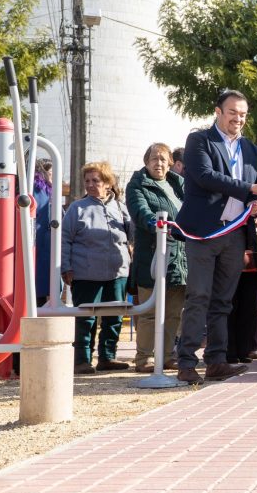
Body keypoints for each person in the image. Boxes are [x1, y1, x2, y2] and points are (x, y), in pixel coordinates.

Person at [174, 90, 257, 385]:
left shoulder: (251, 149)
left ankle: (217, 360)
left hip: (235, 234)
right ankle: (186, 362)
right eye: (232, 112)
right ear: (218, 111)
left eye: (243, 114)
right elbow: (205, 177)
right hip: (204, 232)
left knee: (223, 301)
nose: (238, 119)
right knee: (199, 296)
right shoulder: (199, 141)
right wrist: (248, 190)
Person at [62, 162, 134, 374]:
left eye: (96, 181)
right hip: (86, 273)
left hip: (117, 273)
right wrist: (65, 267)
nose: (91, 185)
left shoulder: (120, 208)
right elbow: (65, 239)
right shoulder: (77, 209)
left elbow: (132, 236)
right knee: (86, 318)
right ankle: (82, 360)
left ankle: (107, 357)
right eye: (87, 181)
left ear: (108, 183)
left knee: (115, 317)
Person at [126, 143, 186, 373]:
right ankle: (144, 358)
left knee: (173, 312)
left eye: (163, 159)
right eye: (154, 159)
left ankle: (168, 355)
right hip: (152, 256)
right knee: (149, 312)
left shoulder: (178, 184)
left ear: (170, 162)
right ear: (146, 162)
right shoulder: (137, 185)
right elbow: (140, 211)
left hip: (179, 258)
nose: (158, 163)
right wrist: (155, 223)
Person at [227, 209, 257, 364]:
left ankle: (246, 348)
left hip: (254, 242)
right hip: (227, 236)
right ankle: (228, 350)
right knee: (229, 302)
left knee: (250, 303)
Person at [33, 159, 54, 307]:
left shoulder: (43, 190)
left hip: (40, 248)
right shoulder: (39, 190)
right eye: (52, 173)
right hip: (39, 248)